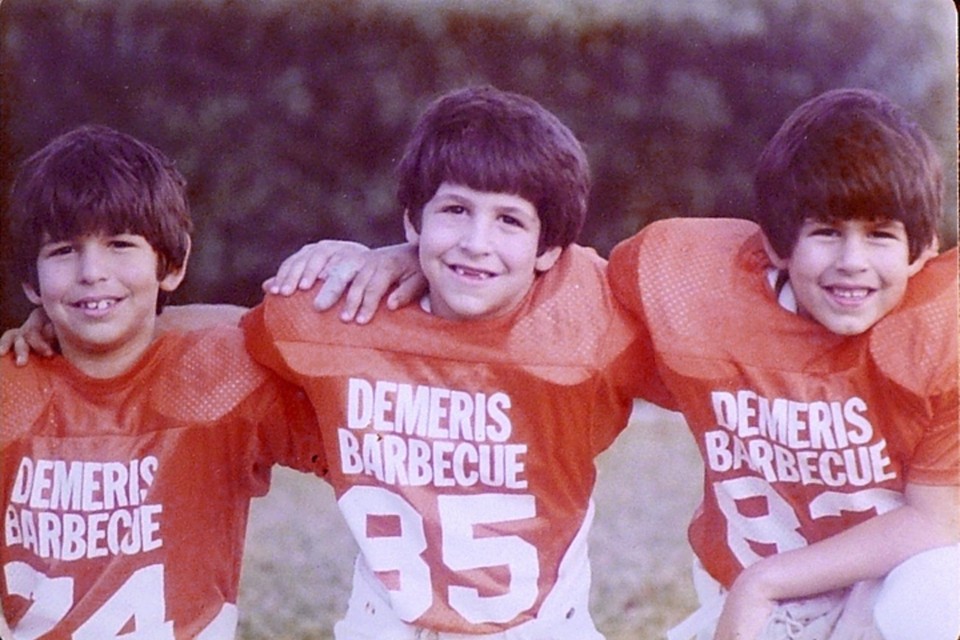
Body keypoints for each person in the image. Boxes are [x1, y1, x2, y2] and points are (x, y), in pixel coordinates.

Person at [241, 85, 672, 639]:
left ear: (549, 250)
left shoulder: (588, 316)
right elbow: (197, 350)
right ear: (412, 221)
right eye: (455, 210)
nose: (475, 242)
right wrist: (356, 260)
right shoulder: (331, 317)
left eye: (509, 221)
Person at [605, 88, 959, 640]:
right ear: (776, 244)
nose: (851, 263)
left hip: (887, 596)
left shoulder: (943, 329)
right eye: (825, 232)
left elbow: (937, 523)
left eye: (880, 235)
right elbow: (562, 294)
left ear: (920, 251)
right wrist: (426, 258)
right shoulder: (698, 286)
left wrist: (762, 581)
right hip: (771, 616)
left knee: (938, 592)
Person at [0, 124, 325, 638]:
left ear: (170, 265)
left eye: (120, 244)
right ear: (30, 281)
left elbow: (355, 392)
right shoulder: (9, 394)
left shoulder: (223, 377)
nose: (91, 271)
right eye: (63, 250)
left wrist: (384, 261)